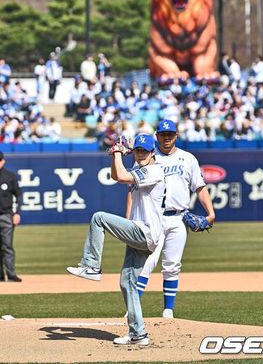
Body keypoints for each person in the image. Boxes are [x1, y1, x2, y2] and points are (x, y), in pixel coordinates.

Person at [67, 134, 165, 346]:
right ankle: (138, 334)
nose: (141, 154)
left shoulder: (154, 170)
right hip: (142, 232)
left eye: (145, 151)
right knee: (127, 283)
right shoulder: (141, 169)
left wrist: (119, 151)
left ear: (153, 152)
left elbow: (121, 177)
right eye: (138, 150)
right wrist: (115, 155)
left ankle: (91, 266)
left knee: (99, 218)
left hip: (145, 232)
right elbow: (116, 175)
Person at [132, 119, 215, 318]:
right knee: (147, 263)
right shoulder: (148, 157)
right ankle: (132, 309)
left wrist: (211, 213)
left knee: (172, 265)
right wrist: (130, 218)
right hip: (154, 218)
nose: (166, 138)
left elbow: (200, 187)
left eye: (170, 134)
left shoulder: (188, 159)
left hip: (179, 218)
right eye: (162, 134)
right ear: (157, 136)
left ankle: (168, 310)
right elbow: (132, 189)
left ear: (176, 135)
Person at [0, 151, 22, 282]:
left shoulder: (10, 176)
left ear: (3, 161)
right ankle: (0, 275)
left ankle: (11, 273)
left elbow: (18, 195)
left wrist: (17, 213)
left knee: (7, 245)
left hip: (6, 215)